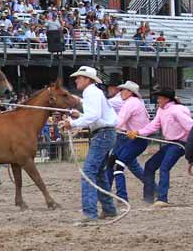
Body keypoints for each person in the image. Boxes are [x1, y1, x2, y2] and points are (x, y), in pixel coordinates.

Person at [60, 66, 117, 224]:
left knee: (88, 172)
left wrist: (73, 123)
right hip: (106, 133)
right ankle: (109, 209)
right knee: (98, 172)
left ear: (87, 79)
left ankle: (90, 212)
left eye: (79, 77)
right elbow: (95, 116)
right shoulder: (95, 92)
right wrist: (80, 117)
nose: (76, 79)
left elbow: (93, 116)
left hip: (103, 134)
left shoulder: (90, 92)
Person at [127, 88, 193, 207]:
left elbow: (191, 127)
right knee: (149, 166)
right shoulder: (161, 110)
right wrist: (138, 132)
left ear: (166, 99)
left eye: (159, 98)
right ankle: (148, 197)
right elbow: (153, 126)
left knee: (164, 167)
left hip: (179, 144)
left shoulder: (177, 110)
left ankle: (162, 198)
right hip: (170, 144)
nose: (157, 100)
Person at [105, 81, 149, 202]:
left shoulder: (130, 103)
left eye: (124, 90)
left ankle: (122, 196)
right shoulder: (134, 102)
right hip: (133, 139)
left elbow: (119, 122)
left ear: (130, 92)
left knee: (118, 165)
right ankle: (106, 192)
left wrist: (103, 127)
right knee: (112, 161)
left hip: (137, 139)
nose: (121, 92)